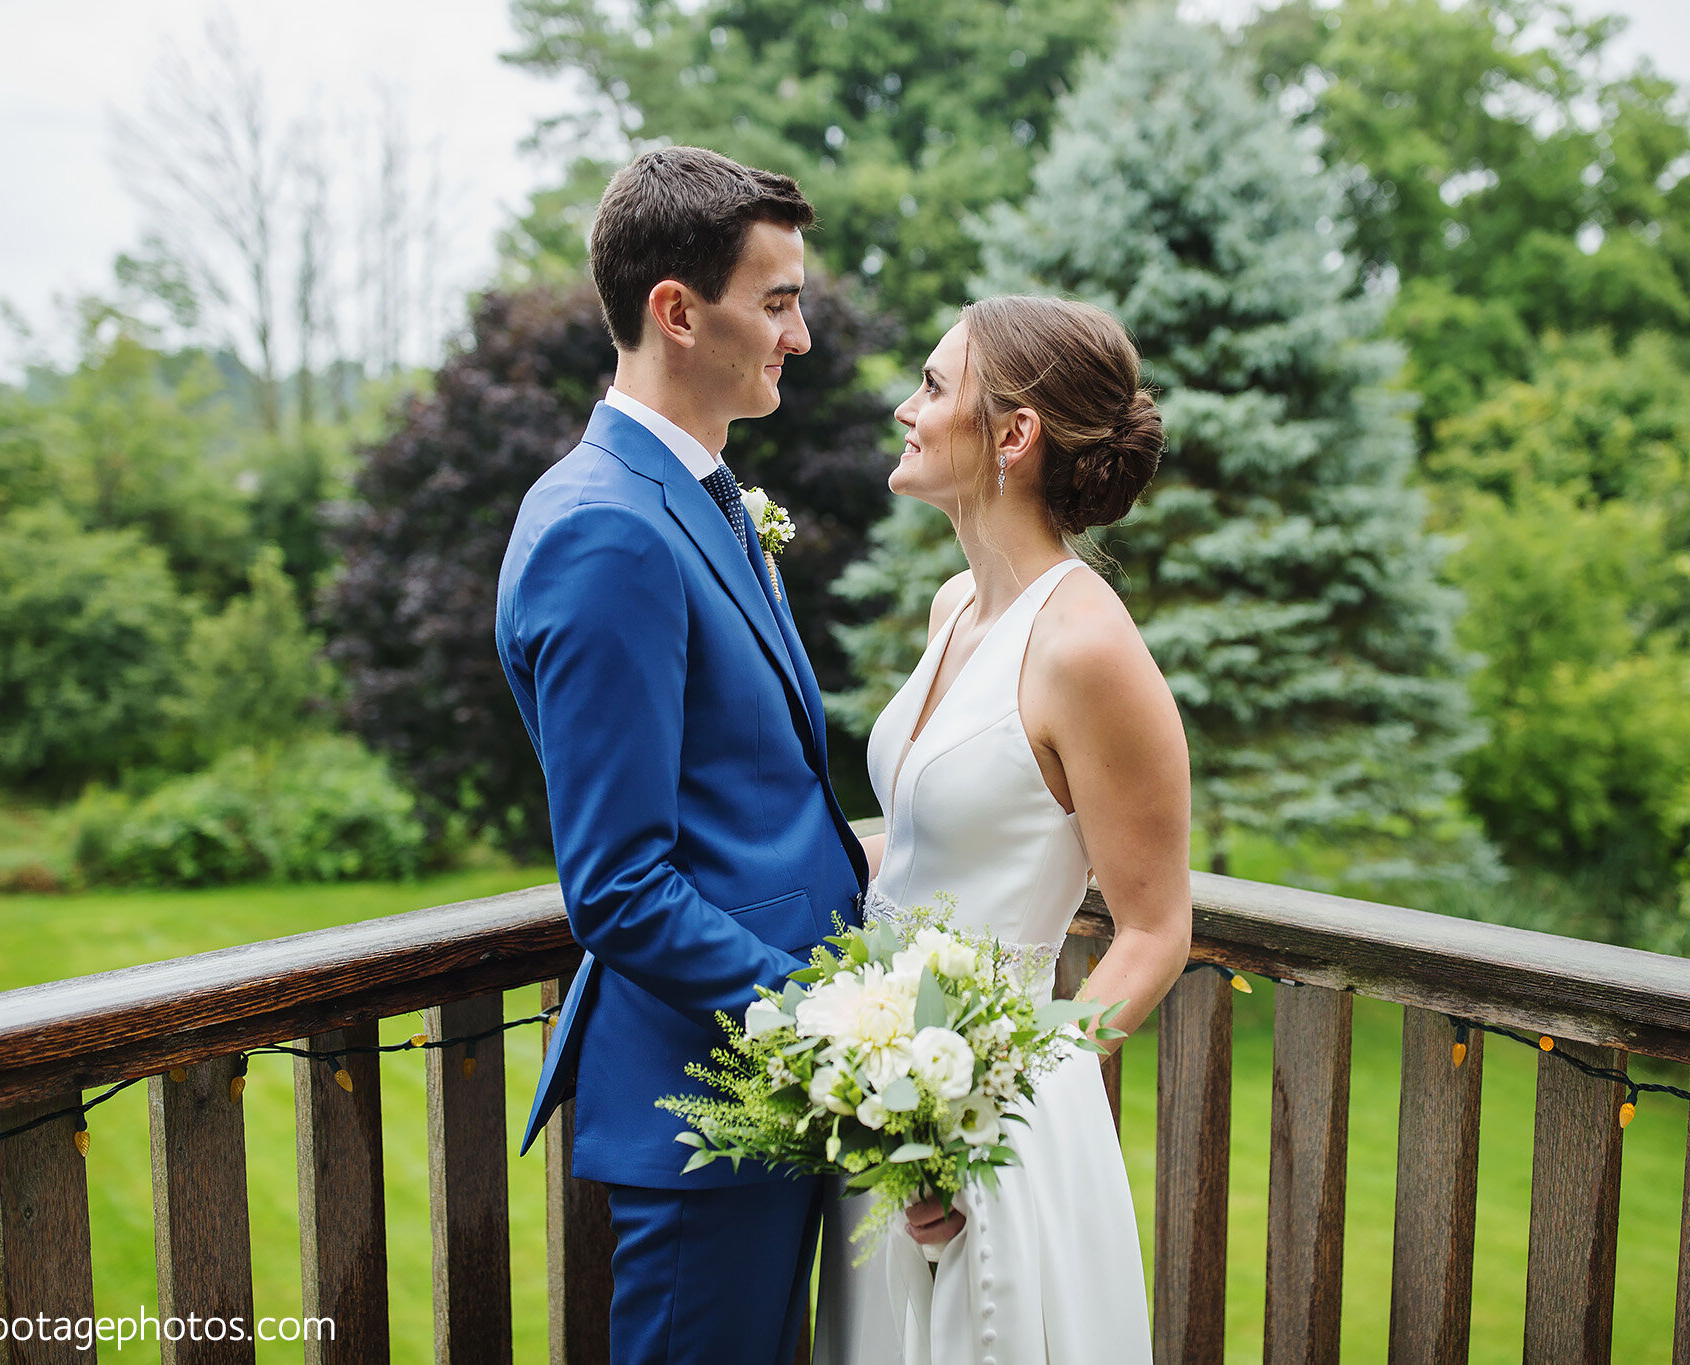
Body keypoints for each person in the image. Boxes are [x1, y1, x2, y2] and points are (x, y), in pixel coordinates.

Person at [497, 146, 868, 1365]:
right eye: (776, 302)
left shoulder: (696, 496)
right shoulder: (607, 528)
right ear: (675, 310)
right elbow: (616, 884)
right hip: (711, 1101)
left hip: (770, 1087)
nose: (799, 335)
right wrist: (823, 1029)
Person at [814, 297, 1193, 1365]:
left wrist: (984, 1110)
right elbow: (934, 843)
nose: (906, 408)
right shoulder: (952, 608)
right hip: (888, 1104)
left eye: (933, 388)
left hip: (994, 1136)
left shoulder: (1085, 648)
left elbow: (1154, 928)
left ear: (1013, 436)